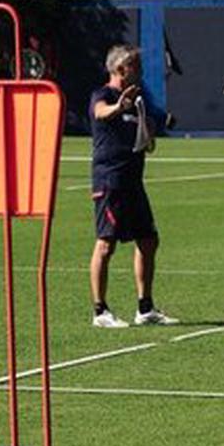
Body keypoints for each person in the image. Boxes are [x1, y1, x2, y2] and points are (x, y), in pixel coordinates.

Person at [89, 44, 177, 328]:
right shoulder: (103, 95)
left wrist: (148, 132)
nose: (140, 71)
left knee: (149, 240)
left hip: (133, 182)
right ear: (120, 69)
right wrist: (119, 107)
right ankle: (100, 311)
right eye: (135, 66)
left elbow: (146, 143)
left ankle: (145, 308)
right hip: (110, 181)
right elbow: (100, 112)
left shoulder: (138, 100)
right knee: (106, 244)